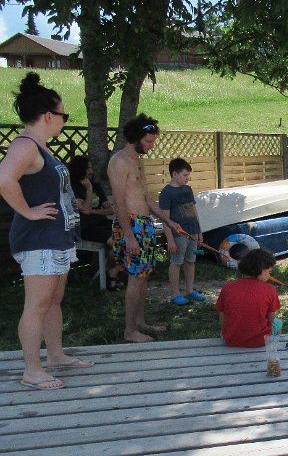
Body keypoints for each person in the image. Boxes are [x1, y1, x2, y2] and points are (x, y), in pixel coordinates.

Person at [0, 72, 92, 390]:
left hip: (55, 238)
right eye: (64, 115)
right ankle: (32, 370)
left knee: (54, 299)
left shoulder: (40, 147)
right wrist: (27, 211)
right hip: (38, 239)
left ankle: (55, 356)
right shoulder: (25, 145)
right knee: (37, 304)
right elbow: (4, 178)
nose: (65, 121)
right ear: (49, 115)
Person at [108, 114, 180, 342]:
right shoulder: (119, 161)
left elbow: (146, 198)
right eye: (148, 141)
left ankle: (140, 323)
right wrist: (129, 235)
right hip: (131, 225)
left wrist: (168, 221)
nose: (152, 146)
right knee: (136, 278)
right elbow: (118, 201)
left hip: (144, 225)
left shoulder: (137, 160)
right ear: (136, 137)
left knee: (144, 276)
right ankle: (129, 331)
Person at [68, 155, 124, 290]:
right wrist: (89, 189)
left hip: (103, 223)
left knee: (128, 240)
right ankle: (110, 275)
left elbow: (109, 210)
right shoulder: (73, 188)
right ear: (80, 169)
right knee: (118, 244)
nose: (91, 171)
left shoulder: (97, 186)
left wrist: (93, 211)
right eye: (88, 168)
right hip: (86, 227)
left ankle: (110, 272)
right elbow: (85, 211)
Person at [160, 158, 205, 305]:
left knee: (190, 261)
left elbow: (194, 211)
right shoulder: (166, 192)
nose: (187, 178)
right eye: (185, 175)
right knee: (177, 262)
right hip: (178, 234)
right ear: (174, 174)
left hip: (192, 232)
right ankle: (175, 294)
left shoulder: (188, 189)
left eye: (188, 175)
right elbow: (165, 218)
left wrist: (199, 231)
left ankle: (189, 291)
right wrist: (170, 239)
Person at [215, 248, 282, 348]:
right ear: (262, 270)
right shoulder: (270, 289)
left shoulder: (227, 287)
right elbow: (271, 319)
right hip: (260, 341)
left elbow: (222, 317)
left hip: (231, 339)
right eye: (269, 272)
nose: (269, 276)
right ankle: (273, 349)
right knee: (278, 322)